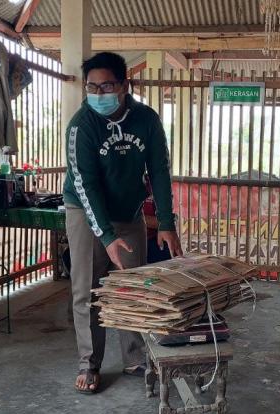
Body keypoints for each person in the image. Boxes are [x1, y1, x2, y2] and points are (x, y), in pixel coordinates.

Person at [64, 52, 183, 394]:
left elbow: (159, 170)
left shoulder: (146, 119)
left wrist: (165, 222)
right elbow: (85, 184)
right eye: (92, 87)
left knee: (132, 288)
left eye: (107, 85)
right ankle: (89, 363)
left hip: (128, 212)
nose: (99, 93)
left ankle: (134, 356)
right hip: (85, 213)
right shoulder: (81, 126)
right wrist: (104, 234)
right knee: (87, 289)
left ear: (124, 84)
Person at [143, 174, 173, 264]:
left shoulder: (156, 182)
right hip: (128, 237)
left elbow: (164, 221)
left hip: (153, 239)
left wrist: (137, 220)